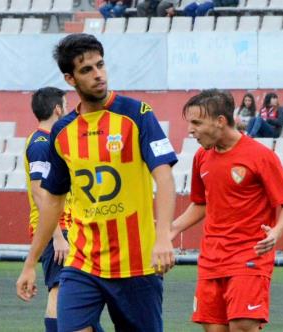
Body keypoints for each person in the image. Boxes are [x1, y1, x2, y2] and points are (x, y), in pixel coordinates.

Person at [16, 33, 178, 332]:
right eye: (86, 70)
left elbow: (165, 176)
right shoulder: (63, 131)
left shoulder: (137, 114)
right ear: (70, 79)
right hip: (83, 262)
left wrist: (164, 235)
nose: (98, 74)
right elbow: (53, 199)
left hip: (137, 263)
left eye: (100, 65)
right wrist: (30, 262)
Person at [171, 90, 283, 331]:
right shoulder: (201, 157)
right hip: (211, 258)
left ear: (220, 121)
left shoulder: (260, 156)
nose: (190, 130)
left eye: (197, 122)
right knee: (214, 328)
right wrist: (171, 229)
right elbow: (201, 204)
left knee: (242, 326)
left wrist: (277, 232)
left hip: (249, 255)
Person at [23, 87, 72, 332]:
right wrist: (57, 235)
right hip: (56, 231)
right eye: (67, 103)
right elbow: (39, 191)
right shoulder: (41, 143)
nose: (70, 108)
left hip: (65, 227)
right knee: (59, 291)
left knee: (77, 294)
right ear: (58, 109)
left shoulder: (50, 141)